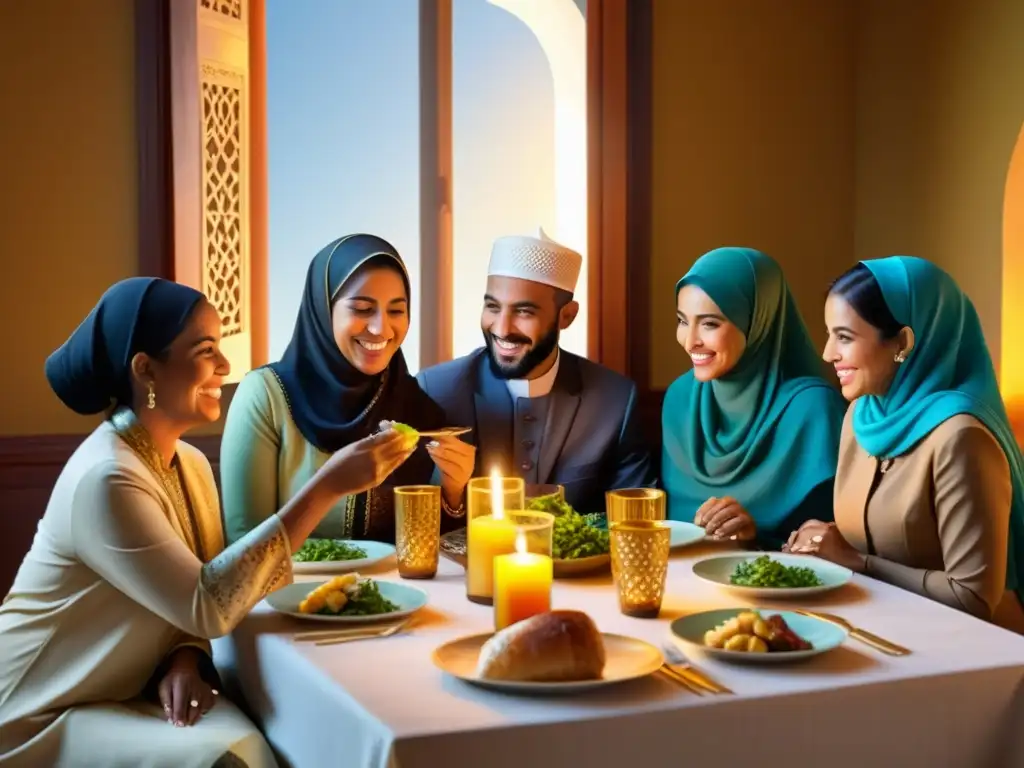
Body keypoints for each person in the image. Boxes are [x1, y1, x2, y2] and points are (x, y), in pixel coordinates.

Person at [0, 278, 419, 767]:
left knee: (254, 745)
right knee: (228, 759)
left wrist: (187, 654)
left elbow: (209, 586)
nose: (224, 367)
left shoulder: (191, 463)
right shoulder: (107, 479)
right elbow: (209, 603)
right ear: (145, 370)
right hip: (39, 709)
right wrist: (327, 485)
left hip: (125, 687)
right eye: (205, 351)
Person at [786, 257, 1024, 631]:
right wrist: (822, 538)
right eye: (829, 334)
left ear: (903, 342)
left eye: (844, 337)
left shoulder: (961, 437)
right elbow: (888, 533)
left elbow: (972, 599)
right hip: (882, 628)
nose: (827, 353)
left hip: (977, 653)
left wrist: (856, 562)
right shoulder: (862, 416)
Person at [221, 235, 475, 544]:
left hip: (397, 592)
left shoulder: (415, 408)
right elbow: (243, 546)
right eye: (362, 309)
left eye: (396, 311)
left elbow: (430, 543)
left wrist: (453, 489)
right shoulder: (266, 396)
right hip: (294, 592)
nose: (381, 328)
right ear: (323, 309)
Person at [416, 229, 655, 513]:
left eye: (524, 312)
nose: (502, 328)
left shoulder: (614, 400)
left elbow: (635, 520)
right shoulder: (436, 390)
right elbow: (412, 522)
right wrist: (452, 493)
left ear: (566, 316)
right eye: (493, 307)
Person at [662, 247, 847, 548]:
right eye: (683, 320)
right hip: (675, 580)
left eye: (709, 323)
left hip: (778, 587)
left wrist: (754, 537)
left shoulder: (814, 409)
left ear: (758, 320)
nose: (690, 340)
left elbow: (828, 544)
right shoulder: (679, 399)